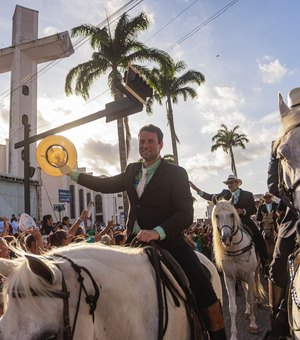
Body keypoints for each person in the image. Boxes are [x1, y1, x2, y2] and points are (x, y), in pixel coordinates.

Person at [68, 124, 226, 340]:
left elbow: (185, 214)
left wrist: (157, 232)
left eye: (150, 141)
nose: (145, 145)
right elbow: (104, 184)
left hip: (170, 242)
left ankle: (219, 336)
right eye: (142, 141)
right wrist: (72, 173)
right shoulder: (131, 170)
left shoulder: (176, 173)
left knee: (201, 282)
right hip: (133, 244)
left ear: (160, 144)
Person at [190, 174, 268, 270]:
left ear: (237, 183)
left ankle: (266, 263)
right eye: (228, 183)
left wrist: (243, 211)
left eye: (231, 183)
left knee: (258, 236)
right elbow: (210, 197)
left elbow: (253, 209)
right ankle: (218, 260)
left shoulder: (248, 194)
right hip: (227, 221)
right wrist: (197, 190)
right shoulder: (224, 194)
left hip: (244, 220)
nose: (229, 185)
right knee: (218, 237)